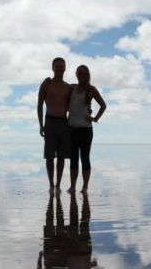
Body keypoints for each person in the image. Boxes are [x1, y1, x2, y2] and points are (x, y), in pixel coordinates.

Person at [67, 65, 106, 194]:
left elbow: (103, 105)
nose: (82, 75)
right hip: (72, 128)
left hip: (86, 129)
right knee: (73, 158)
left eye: (85, 73)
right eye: (80, 73)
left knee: (85, 158)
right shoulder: (71, 88)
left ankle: (85, 187)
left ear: (88, 75)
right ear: (76, 74)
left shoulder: (91, 89)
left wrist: (95, 118)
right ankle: (72, 186)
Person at [37, 57, 72, 192]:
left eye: (62, 66)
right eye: (57, 66)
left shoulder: (68, 87)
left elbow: (75, 102)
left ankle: (58, 185)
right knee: (50, 156)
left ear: (65, 68)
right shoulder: (46, 84)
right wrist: (41, 124)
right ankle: (51, 185)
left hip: (64, 122)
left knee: (62, 157)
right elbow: (39, 105)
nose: (59, 68)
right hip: (50, 121)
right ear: (53, 68)